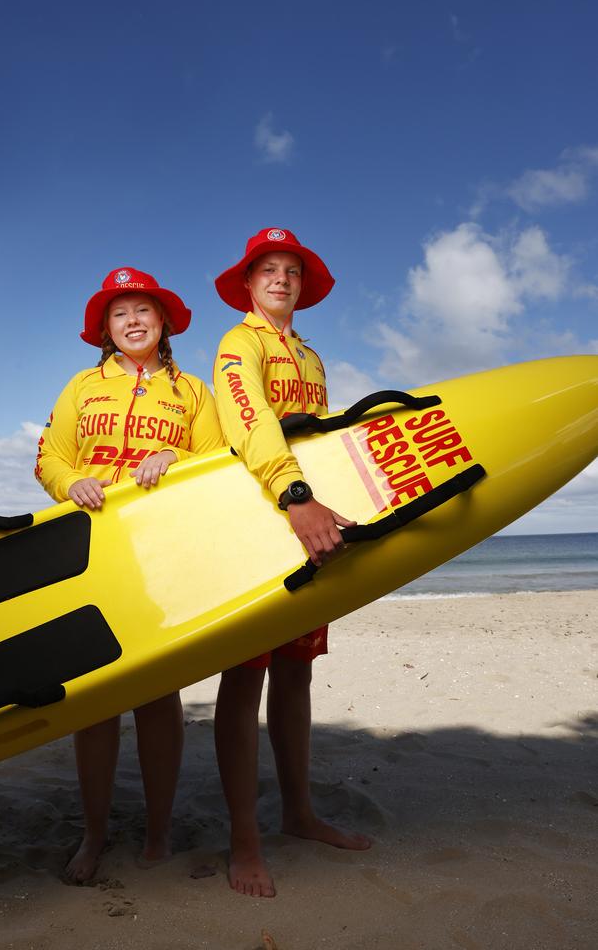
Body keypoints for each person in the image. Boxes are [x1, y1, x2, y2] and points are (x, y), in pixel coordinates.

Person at [35, 266, 223, 883]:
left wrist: (176, 455)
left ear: (164, 321)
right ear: (105, 329)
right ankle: (93, 834)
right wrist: (71, 481)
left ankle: (160, 829)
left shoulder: (192, 390)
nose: (133, 321)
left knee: (157, 694)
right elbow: (49, 456)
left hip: (163, 552)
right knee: (94, 697)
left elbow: (221, 458)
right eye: (120, 313)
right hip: (90, 550)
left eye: (144, 310)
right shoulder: (82, 387)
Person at [212, 228, 371, 898]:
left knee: (297, 673)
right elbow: (249, 424)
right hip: (260, 517)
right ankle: (245, 843)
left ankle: (299, 814)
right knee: (245, 680)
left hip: (306, 521)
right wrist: (296, 496)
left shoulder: (309, 355)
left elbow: (325, 437)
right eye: (268, 270)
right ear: (248, 284)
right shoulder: (237, 344)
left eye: (291, 271)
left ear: (302, 286)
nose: (281, 279)